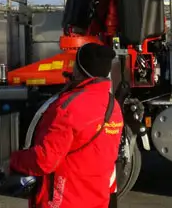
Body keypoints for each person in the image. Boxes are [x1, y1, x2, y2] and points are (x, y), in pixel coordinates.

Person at [6, 42, 124, 208]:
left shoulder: (69, 107)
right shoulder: (113, 106)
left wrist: (14, 160)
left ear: (80, 69)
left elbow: (45, 160)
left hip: (64, 201)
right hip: (97, 201)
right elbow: (109, 160)